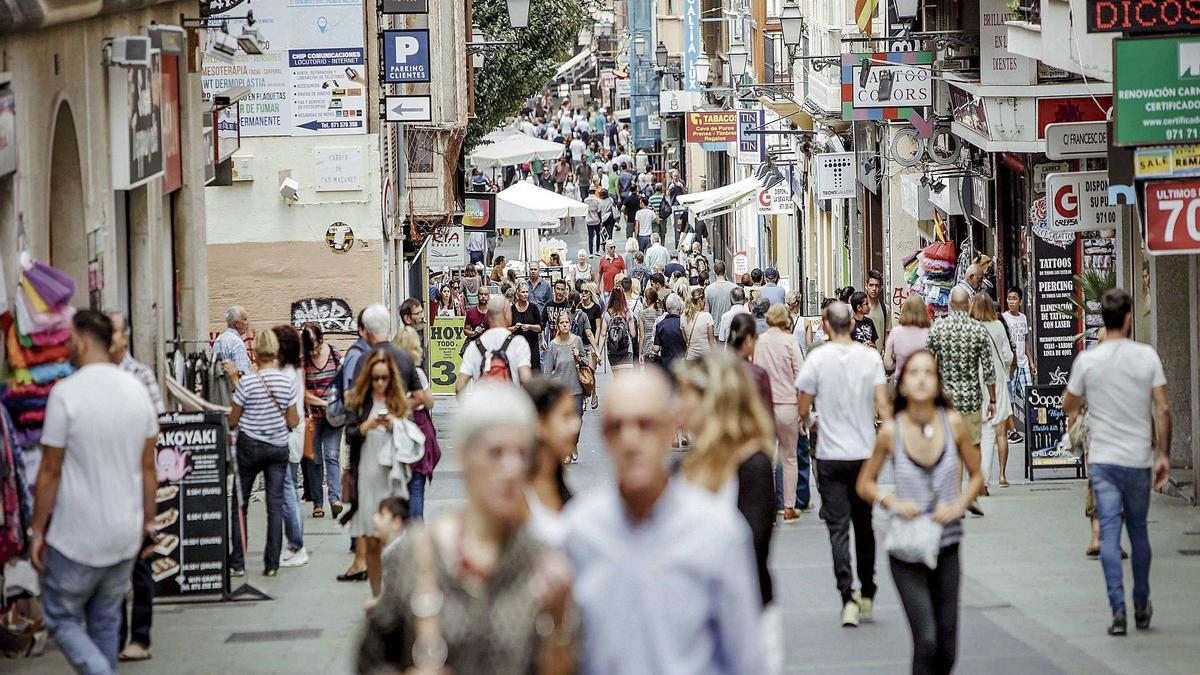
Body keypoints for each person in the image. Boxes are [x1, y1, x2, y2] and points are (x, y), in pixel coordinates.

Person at [357, 384, 577, 673]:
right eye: (495, 452)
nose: (511, 469)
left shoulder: (543, 561)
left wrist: (559, 626)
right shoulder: (418, 554)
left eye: (522, 454)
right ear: (463, 455)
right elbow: (371, 661)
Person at [562, 371, 765, 674]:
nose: (631, 440)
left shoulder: (718, 533)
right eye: (617, 427)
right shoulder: (578, 533)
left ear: (670, 428)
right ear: (604, 436)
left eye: (646, 424)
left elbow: (746, 660)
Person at [32, 311, 159, 675]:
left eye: (70, 338)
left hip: (77, 534)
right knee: (105, 620)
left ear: (83, 341)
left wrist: (36, 529)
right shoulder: (137, 391)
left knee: (59, 616)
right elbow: (148, 466)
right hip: (125, 533)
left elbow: (51, 469)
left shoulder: (65, 393)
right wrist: (149, 522)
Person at [856, 350, 985, 674]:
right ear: (902, 385)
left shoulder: (952, 422)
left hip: (947, 544)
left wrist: (959, 503)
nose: (922, 377)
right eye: (914, 372)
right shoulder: (891, 431)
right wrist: (892, 503)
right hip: (907, 550)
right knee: (925, 640)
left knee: (947, 648)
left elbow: (977, 473)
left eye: (929, 371)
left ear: (938, 381)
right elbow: (865, 484)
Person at [1063, 288, 1171, 636]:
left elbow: (1069, 402)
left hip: (1104, 460)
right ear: (1128, 319)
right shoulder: (1146, 356)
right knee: (1138, 531)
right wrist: (1164, 454)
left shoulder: (1087, 361)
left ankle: (1118, 610)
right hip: (1138, 458)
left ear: (1103, 321)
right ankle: (1142, 601)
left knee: (1109, 533)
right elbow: (1163, 408)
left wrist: (1081, 409)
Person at [673, 354, 782, 672]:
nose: (677, 403)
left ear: (712, 398)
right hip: (689, 616)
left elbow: (752, 545)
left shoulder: (753, 465)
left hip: (745, 617)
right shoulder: (684, 467)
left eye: (684, 394)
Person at [796, 301, 891, 627]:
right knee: (864, 527)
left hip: (830, 457)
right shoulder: (870, 358)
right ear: (852, 325)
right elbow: (883, 406)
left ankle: (846, 597)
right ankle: (867, 593)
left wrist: (812, 420)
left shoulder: (817, 359)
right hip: (864, 455)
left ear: (824, 325)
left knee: (838, 529)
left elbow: (803, 407)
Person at [104, 313, 163, 663]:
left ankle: (140, 637)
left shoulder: (141, 375)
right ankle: (111, 637)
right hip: (103, 485)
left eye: (112, 331)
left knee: (140, 566)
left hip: (135, 479)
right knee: (108, 568)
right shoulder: (90, 376)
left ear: (126, 336)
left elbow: (156, 430)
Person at [339, 351, 424, 595]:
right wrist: (367, 425)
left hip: (390, 472)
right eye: (375, 378)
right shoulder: (358, 401)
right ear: (368, 378)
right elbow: (350, 435)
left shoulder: (398, 400)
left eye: (384, 378)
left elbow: (408, 431)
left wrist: (394, 424)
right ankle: (377, 594)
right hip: (366, 472)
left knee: (394, 536)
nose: (379, 383)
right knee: (372, 539)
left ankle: (395, 591)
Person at [228, 329, 301, 577]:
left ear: (256, 353)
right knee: (275, 504)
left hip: (249, 446)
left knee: (240, 503)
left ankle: (238, 562)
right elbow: (293, 420)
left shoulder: (246, 381)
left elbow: (233, 420)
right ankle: (271, 563)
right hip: (277, 447)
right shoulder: (286, 382)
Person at [927, 287, 995, 516]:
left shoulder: (939, 328)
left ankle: (954, 495)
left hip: (946, 400)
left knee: (950, 449)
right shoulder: (977, 330)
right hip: (971, 398)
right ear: (967, 305)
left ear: (950, 305)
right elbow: (988, 369)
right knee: (973, 446)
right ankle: (971, 494)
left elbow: (927, 360)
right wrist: (993, 398)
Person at [756, 304, 806, 524]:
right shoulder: (790, 341)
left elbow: (757, 372)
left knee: (767, 457)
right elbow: (802, 374)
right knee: (789, 457)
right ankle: (788, 506)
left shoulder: (761, 342)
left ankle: (766, 504)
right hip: (787, 405)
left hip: (766, 406)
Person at [522, 378, 582, 544]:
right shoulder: (515, 500)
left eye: (574, 415)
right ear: (540, 423)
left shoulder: (563, 493)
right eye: (566, 416)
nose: (575, 425)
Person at [393, 327, 442, 519]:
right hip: (416, 430)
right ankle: (415, 529)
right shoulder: (417, 372)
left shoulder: (390, 371)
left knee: (398, 486)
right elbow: (428, 400)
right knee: (416, 485)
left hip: (396, 429)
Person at [272, 325, 309, 569]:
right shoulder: (295, 371)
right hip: (295, 434)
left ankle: (296, 544)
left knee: (288, 492)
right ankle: (296, 543)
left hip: (287, 434)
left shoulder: (285, 374)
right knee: (291, 490)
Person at [970, 292, 1014, 491]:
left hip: (974, 384)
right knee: (991, 431)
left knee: (975, 432)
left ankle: (975, 476)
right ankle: (984, 480)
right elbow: (1007, 355)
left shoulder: (970, 328)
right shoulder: (998, 327)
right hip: (996, 383)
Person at [300, 323, 343, 520]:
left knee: (332, 455)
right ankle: (318, 503)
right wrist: (321, 402)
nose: (315, 352)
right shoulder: (304, 360)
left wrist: (335, 402)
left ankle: (335, 499)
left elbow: (344, 382)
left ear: (322, 339)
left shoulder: (334, 355)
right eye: (311, 349)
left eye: (316, 347)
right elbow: (302, 391)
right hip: (313, 417)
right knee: (314, 459)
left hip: (334, 417)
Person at [458, 296, 534, 392]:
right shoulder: (518, 343)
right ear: (506, 314)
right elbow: (526, 379)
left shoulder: (474, 346)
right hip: (509, 402)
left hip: (482, 405)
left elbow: (459, 386)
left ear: (488, 316)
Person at [1001, 287, 1033, 443]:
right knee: (1011, 399)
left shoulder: (1023, 318)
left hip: (1023, 363)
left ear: (1020, 302)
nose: (1011, 301)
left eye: (1014, 299)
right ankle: (1012, 431)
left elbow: (1025, 341)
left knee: (1030, 395)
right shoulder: (1004, 318)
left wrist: (1031, 361)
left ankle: (1033, 427)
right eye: (1009, 298)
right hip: (1011, 365)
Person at [543, 312, 587, 416]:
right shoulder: (553, 345)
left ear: (570, 324)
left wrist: (578, 357)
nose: (564, 325)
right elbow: (548, 372)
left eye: (567, 322)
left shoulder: (577, 340)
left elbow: (586, 362)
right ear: (557, 325)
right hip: (560, 392)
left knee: (577, 420)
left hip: (576, 389)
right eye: (561, 322)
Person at [884, 295, 932, 379]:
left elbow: (887, 364)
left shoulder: (896, 332)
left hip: (902, 381)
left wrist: (898, 364)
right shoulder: (930, 333)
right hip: (923, 381)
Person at [601, 286, 639, 373]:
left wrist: (598, 353)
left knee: (617, 380)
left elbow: (603, 334)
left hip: (613, 351)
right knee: (626, 381)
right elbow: (633, 334)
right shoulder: (627, 313)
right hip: (626, 350)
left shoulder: (607, 314)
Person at [510, 281, 544, 372]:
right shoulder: (512, 309)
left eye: (526, 292)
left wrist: (530, 327)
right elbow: (505, 328)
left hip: (532, 347)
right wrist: (514, 328)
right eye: (523, 292)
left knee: (534, 374)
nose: (525, 294)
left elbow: (540, 327)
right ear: (517, 293)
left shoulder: (533, 307)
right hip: (517, 348)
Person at [214, 305, 251, 383]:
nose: (247, 323)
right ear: (237, 323)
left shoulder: (218, 340)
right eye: (245, 319)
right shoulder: (237, 343)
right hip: (235, 391)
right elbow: (243, 376)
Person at [651, 292, 687, 371]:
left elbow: (656, 348)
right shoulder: (684, 324)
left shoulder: (660, 325)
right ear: (679, 308)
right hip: (681, 363)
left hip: (666, 364)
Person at [680, 287, 715, 360]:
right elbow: (711, 342)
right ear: (700, 301)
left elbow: (685, 339)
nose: (705, 303)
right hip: (705, 358)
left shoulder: (683, 317)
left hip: (690, 358)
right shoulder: (707, 317)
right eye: (704, 301)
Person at [865, 270, 891, 354]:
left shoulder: (885, 309)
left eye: (877, 286)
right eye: (871, 285)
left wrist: (887, 354)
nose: (874, 289)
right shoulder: (858, 308)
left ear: (881, 288)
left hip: (878, 357)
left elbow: (887, 333)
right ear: (866, 286)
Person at [636, 287, 662, 364]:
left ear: (648, 299)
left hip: (647, 349)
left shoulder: (642, 314)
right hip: (658, 348)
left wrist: (640, 353)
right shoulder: (660, 312)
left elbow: (641, 336)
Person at [705, 261, 736, 326]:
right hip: (730, 327)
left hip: (714, 328)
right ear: (725, 271)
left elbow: (706, 313)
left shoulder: (708, 290)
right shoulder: (734, 288)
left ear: (714, 272)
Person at [584, 188, 604, 255]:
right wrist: (601, 221)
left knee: (590, 236)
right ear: (594, 192)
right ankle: (597, 251)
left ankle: (590, 253)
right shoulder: (598, 200)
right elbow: (599, 211)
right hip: (596, 220)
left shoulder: (585, 200)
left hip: (589, 220)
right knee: (598, 235)